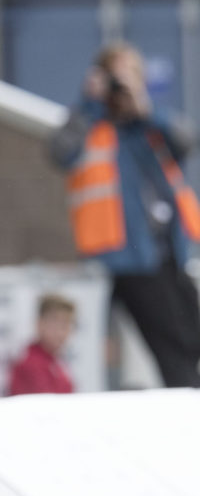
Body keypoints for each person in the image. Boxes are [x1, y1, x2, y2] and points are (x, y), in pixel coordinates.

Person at [51, 42, 200, 388]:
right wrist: (90, 102)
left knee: (191, 335)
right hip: (125, 258)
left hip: (168, 254)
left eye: (131, 77)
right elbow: (60, 152)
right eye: (116, 78)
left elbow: (186, 140)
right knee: (172, 348)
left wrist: (144, 109)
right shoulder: (91, 125)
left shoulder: (149, 126)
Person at [8, 293, 76, 396]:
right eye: (54, 324)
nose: (60, 332)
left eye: (65, 325)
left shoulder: (54, 362)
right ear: (39, 324)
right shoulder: (31, 363)